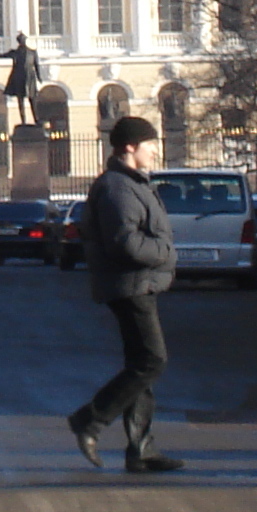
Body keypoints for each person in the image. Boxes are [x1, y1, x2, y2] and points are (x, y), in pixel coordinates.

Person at [65, 116, 184, 476]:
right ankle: (90, 420)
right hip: (130, 285)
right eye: (150, 144)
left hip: (140, 283)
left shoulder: (134, 183)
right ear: (130, 147)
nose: (155, 151)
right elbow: (125, 243)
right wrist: (166, 253)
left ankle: (141, 450)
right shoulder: (118, 188)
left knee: (141, 367)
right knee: (152, 361)